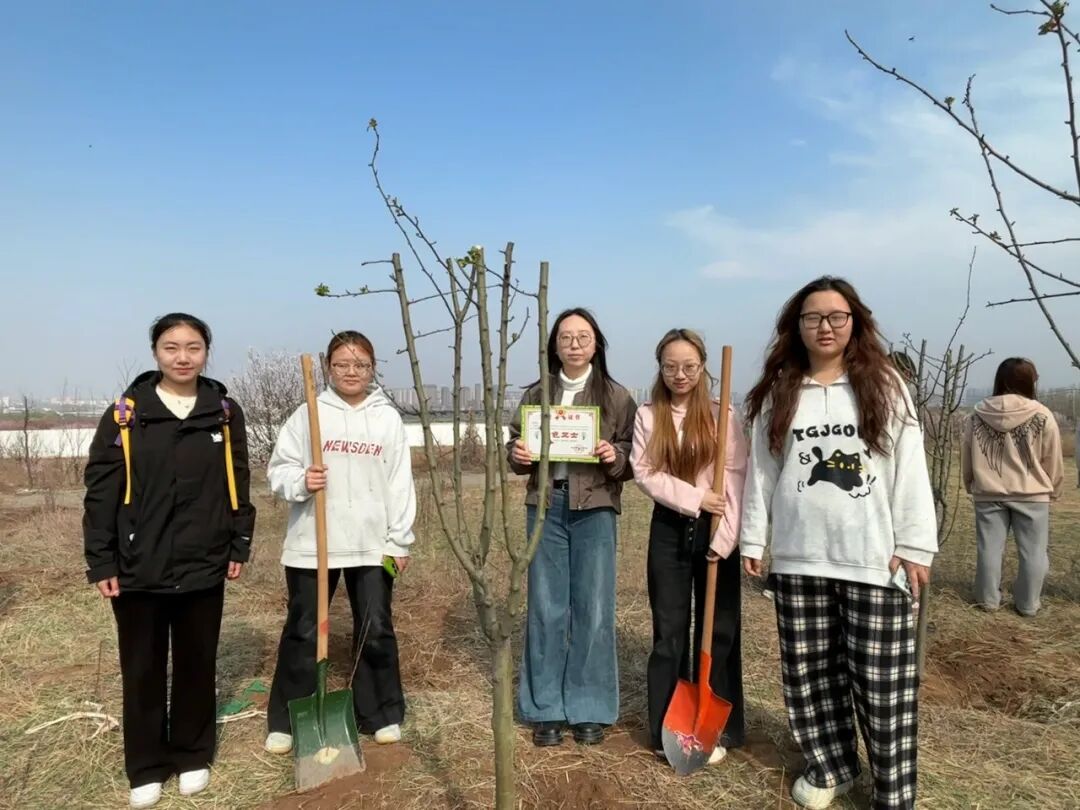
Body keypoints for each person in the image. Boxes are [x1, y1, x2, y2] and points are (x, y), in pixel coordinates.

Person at [740, 277, 937, 810]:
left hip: (871, 558)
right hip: (800, 555)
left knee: (883, 684)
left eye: (836, 316)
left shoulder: (884, 385)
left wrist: (916, 544)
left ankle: (893, 790)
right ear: (796, 326)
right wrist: (754, 536)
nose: (824, 327)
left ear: (855, 322)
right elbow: (762, 472)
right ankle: (832, 766)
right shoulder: (779, 391)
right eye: (813, 317)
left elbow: (909, 465)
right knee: (810, 674)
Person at [83, 313, 255, 810]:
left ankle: (192, 754)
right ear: (156, 352)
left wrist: (239, 542)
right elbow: (101, 491)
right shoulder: (126, 414)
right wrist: (101, 560)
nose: (183, 357)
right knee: (142, 668)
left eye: (193, 347)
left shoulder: (224, 413)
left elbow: (238, 481)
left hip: (205, 559)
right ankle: (146, 765)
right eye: (171, 347)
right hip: (139, 563)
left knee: (198, 661)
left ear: (206, 352)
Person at [265, 331, 416, 754]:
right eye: (342, 364)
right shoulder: (309, 414)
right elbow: (279, 471)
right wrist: (302, 480)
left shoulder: (386, 419)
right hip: (313, 543)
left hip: (373, 544)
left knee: (376, 627)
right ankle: (288, 718)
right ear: (328, 368)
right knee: (303, 628)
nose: (352, 372)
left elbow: (400, 483)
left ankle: (380, 713)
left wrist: (399, 541)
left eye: (361, 364)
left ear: (372, 369)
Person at [507, 308, 637, 747]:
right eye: (566, 337)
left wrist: (614, 456)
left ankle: (589, 707)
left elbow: (631, 457)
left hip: (595, 506)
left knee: (593, 607)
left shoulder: (617, 396)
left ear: (596, 344)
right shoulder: (536, 393)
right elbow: (514, 444)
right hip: (547, 504)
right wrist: (517, 454)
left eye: (583, 336)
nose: (575, 344)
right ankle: (545, 708)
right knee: (546, 606)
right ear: (554, 345)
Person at [629, 328, 747, 762]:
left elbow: (736, 477)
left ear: (703, 368)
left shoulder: (722, 414)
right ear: (660, 368)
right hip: (670, 528)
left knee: (719, 629)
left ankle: (720, 727)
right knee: (669, 630)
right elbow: (645, 472)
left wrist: (726, 536)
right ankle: (668, 725)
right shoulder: (649, 415)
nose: (680, 375)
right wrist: (697, 498)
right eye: (671, 367)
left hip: (718, 528)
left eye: (689, 367)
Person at [962, 357, 1064, 617]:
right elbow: (1052, 457)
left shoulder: (977, 415)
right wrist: (1054, 488)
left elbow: (967, 453)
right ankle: (1028, 604)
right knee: (1033, 553)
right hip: (1032, 493)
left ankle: (987, 600)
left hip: (988, 491)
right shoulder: (1042, 414)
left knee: (989, 549)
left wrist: (970, 482)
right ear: (1029, 381)